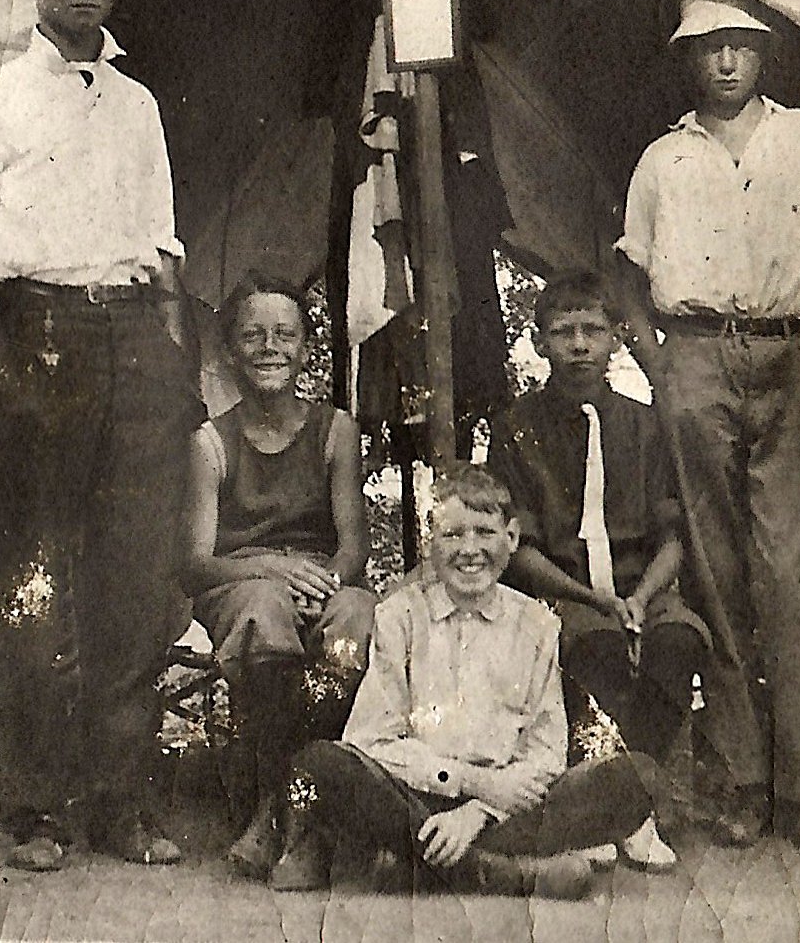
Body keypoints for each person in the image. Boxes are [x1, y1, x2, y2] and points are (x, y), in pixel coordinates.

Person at [0, 0, 205, 872]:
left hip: (136, 339)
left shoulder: (138, 105)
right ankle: (37, 809)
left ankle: (120, 807)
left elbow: (164, 248)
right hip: (38, 331)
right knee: (37, 581)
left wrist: (171, 355)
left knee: (132, 583)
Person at [615, 0, 800, 848]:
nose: (726, 59)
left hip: (791, 357)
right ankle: (745, 779)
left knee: (795, 566)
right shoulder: (662, 158)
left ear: (762, 51)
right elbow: (629, 271)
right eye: (709, 47)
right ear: (688, 59)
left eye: (739, 43)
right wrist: (655, 361)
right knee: (717, 569)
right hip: (694, 356)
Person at [275, 466, 661, 899]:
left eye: (484, 532)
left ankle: (425, 864)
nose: (470, 550)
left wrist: (479, 809)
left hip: (505, 807)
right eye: (452, 534)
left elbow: (546, 752)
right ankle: (507, 875)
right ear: (429, 541)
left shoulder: (537, 625)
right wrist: (466, 783)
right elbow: (370, 739)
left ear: (512, 538)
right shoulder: (399, 617)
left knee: (639, 777)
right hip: (416, 795)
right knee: (326, 763)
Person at [487, 270, 705, 873]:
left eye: (593, 330)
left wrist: (642, 596)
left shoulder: (644, 423)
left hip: (642, 582)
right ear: (538, 344)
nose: (579, 345)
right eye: (563, 332)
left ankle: (636, 811)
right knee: (593, 643)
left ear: (615, 339)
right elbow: (516, 549)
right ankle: (600, 803)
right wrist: (590, 596)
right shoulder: (515, 427)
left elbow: (673, 540)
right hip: (563, 585)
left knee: (678, 639)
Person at [181, 275, 376, 888]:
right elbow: (195, 562)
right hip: (242, 581)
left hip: (319, 578)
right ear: (230, 351)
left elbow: (354, 546)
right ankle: (280, 805)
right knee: (265, 611)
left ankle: (293, 811)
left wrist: (323, 582)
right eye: (253, 335)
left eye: (284, 335)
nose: (269, 347)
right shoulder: (210, 441)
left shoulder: (335, 430)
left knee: (357, 619)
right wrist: (268, 567)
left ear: (304, 346)